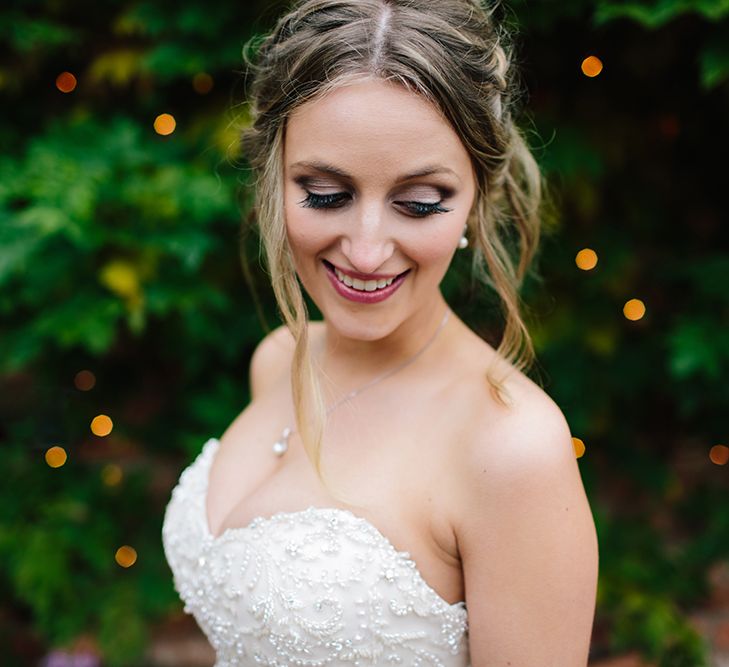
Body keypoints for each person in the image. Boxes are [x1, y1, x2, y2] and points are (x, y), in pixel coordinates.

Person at [162, 1, 599, 665]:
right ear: (276, 179)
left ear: (476, 198)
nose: (366, 251)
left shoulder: (511, 448)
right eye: (326, 194)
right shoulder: (279, 359)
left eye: (419, 202)